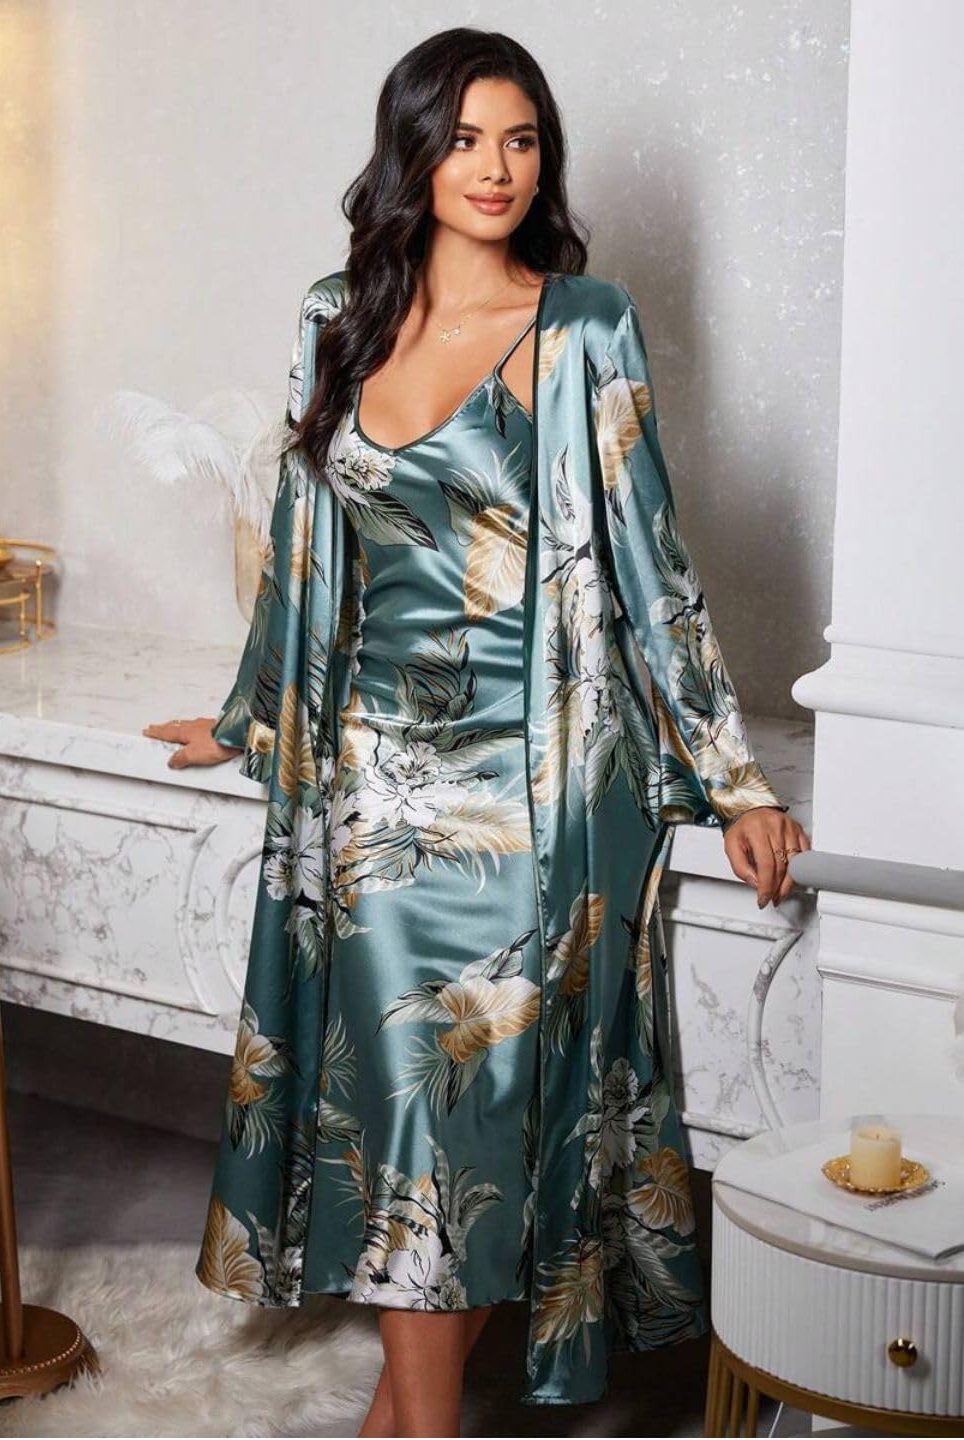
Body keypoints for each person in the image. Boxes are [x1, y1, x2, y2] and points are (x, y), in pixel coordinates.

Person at [144, 26, 811, 1437]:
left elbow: (650, 560)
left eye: (521, 140)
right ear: (415, 154)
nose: (497, 168)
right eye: (464, 141)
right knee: (409, 1114)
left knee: (455, 1119)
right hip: (370, 788)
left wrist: (733, 776)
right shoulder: (337, 316)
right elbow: (304, 540)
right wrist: (253, 717)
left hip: (531, 789)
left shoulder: (584, 326)